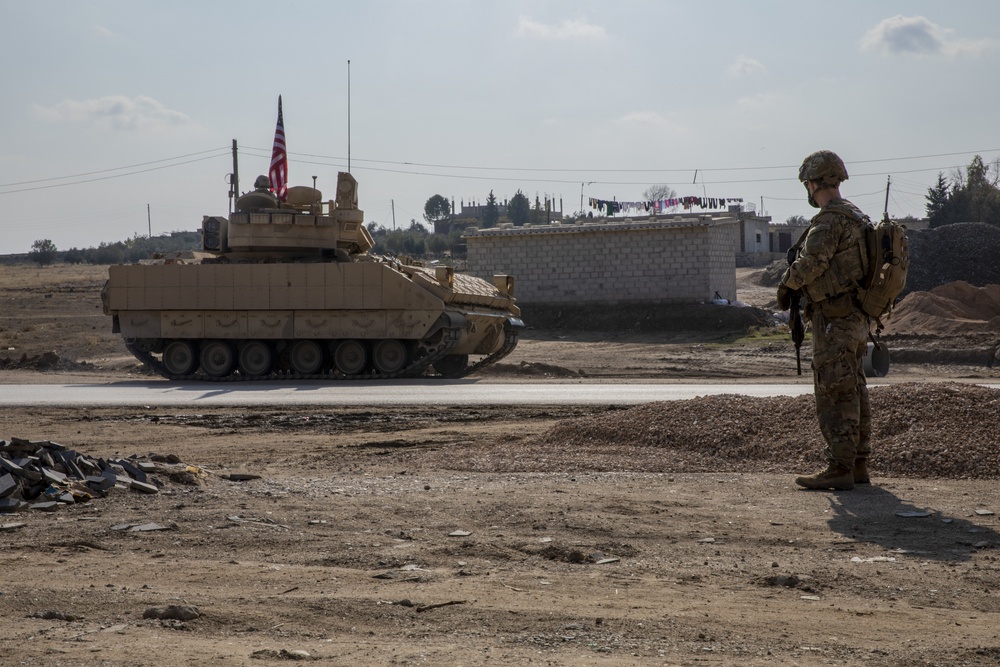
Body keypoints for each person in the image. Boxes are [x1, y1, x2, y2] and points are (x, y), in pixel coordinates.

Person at [777, 150, 872, 491]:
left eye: (808, 183)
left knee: (834, 392)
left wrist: (786, 284)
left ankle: (840, 467)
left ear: (814, 182)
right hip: (857, 317)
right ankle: (858, 463)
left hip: (834, 319)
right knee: (855, 388)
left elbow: (812, 264)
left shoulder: (829, 221)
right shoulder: (857, 216)